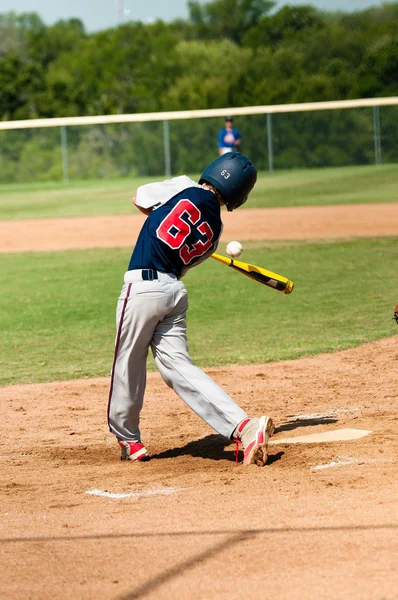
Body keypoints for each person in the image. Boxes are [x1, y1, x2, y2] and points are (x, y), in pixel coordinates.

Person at [107, 152, 274, 467]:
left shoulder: (184, 186)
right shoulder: (214, 232)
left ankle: (128, 438)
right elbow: (183, 261)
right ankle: (244, 427)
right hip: (173, 293)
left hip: (143, 288)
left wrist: (163, 213)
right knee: (179, 368)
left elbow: (139, 199)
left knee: (128, 361)